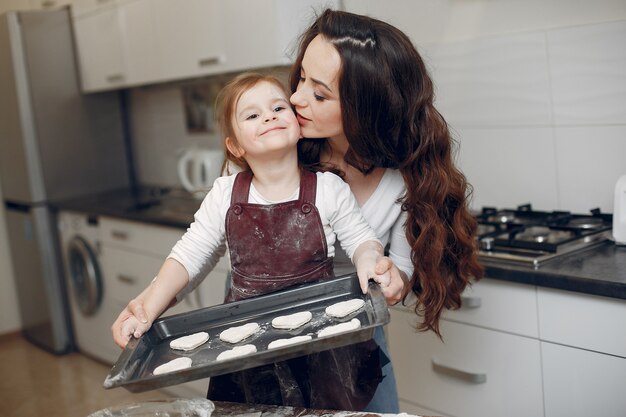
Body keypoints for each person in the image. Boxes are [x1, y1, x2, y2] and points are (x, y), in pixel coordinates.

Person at [112, 72, 405, 410]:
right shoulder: (224, 194)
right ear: (235, 145)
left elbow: (361, 241)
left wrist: (371, 262)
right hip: (248, 350)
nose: (268, 116)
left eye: (278, 107)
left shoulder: (328, 188)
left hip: (321, 344)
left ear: (296, 123)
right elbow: (189, 257)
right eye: (252, 115)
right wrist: (145, 308)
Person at [288, 9, 485, 412]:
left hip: (356, 335)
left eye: (319, 94)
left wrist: (394, 280)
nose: (295, 97)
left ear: (366, 108)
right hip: (274, 330)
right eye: (301, 78)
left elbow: (401, 266)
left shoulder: (403, 178)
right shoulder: (282, 149)